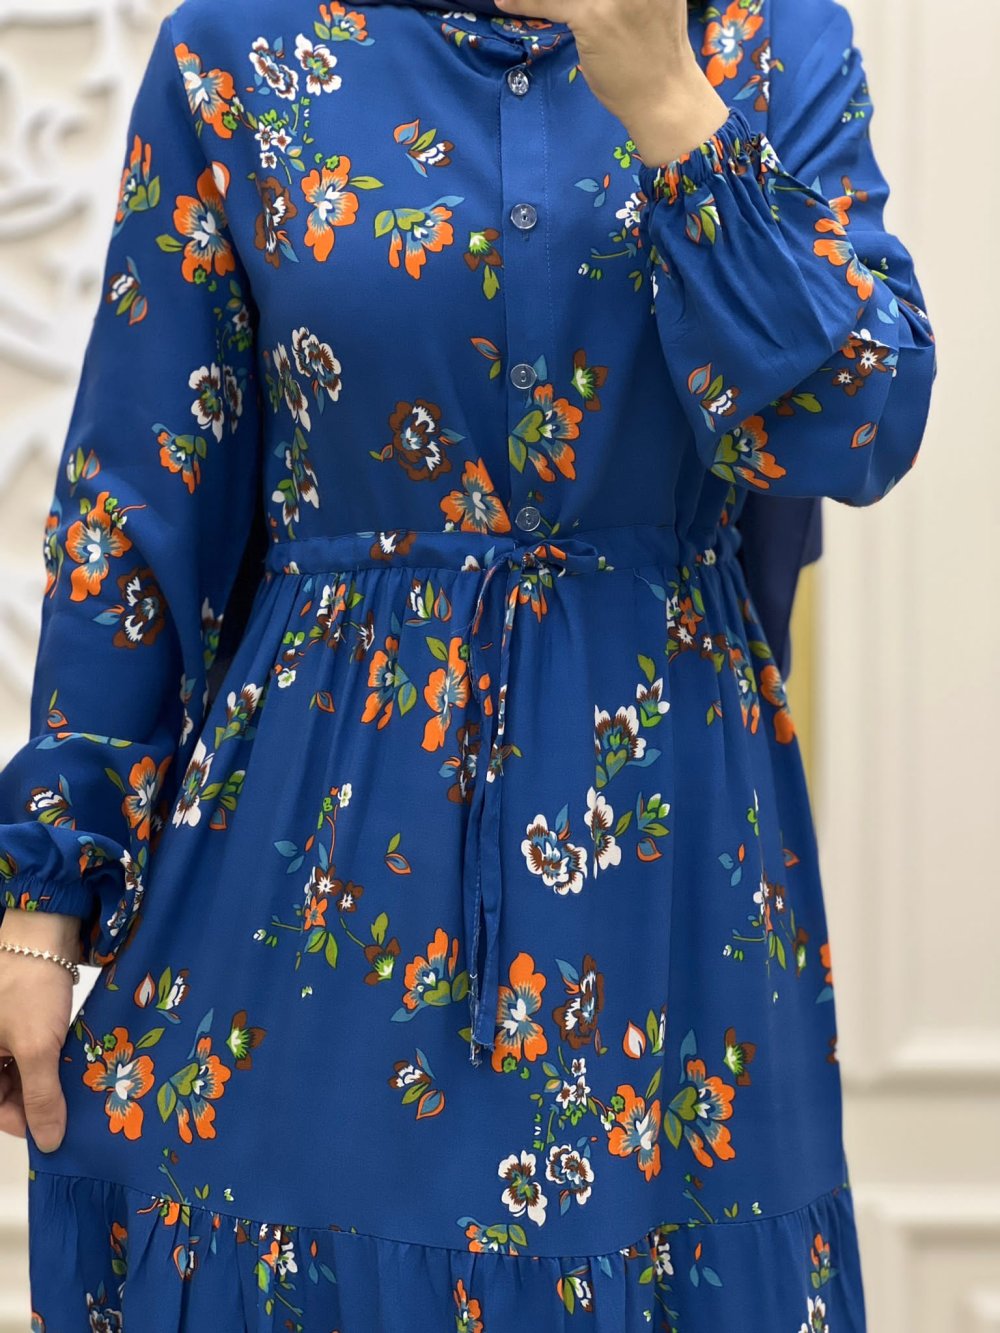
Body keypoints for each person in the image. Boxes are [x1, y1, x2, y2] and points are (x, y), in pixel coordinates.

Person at [0, 0, 936, 1326]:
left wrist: (674, 110)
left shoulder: (765, 40)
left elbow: (861, 426)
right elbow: (141, 496)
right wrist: (41, 907)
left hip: (664, 891)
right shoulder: (240, 46)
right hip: (314, 877)